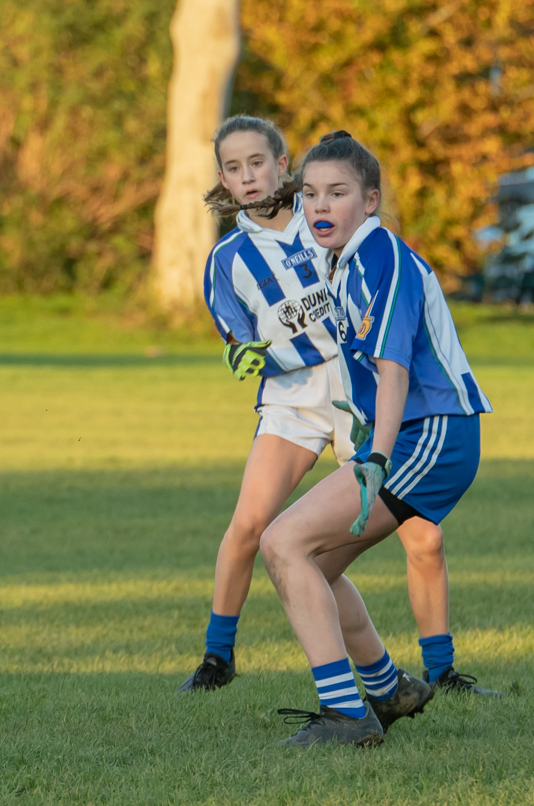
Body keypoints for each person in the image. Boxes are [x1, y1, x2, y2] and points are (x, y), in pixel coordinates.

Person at [180, 116, 498, 701]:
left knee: (395, 539)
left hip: (385, 411)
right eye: (233, 167)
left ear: (283, 165)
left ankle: (410, 682)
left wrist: (376, 449)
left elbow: (393, 357)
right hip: (301, 402)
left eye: (259, 162)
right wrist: (245, 357)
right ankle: (224, 658)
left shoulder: (347, 237)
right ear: (222, 179)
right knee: (271, 537)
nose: (248, 177)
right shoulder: (235, 259)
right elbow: (237, 343)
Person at [256, 130, 494, 746]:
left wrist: (374, 460)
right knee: (312, 565)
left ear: (370, 200)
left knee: (282, 542)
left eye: (338, 192)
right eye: (310, 194)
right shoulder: (345, 260)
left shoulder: (381, 255)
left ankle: (347, 716)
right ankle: (390, 690)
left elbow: (395, 370)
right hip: (410, 436)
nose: (320, 206)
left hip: (430, 435)